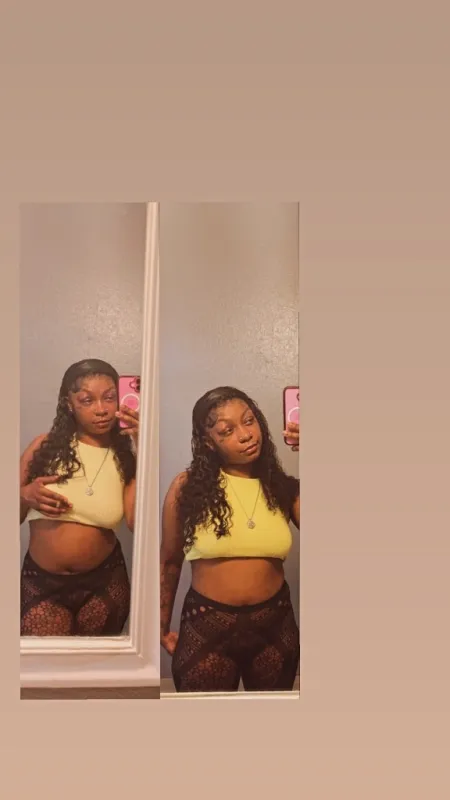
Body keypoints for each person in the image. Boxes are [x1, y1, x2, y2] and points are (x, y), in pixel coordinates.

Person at [160, 386, 300, 693]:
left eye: (249, 421)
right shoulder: (187, 488)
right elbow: (169, 561)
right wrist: (159, 625)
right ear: (209, 442)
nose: (246, 434)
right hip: (206, 625)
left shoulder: (284, 488)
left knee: (272, 720)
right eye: (227, 430)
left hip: (275, 626)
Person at [20, 358, 139, 636]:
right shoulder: (44, 446)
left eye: (109, 398)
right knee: (46, 662)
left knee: (97, 664)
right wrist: (24, 495)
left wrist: (142, 443)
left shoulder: (127, 459)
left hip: (105, 582)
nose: (101, 409)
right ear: (69, 404)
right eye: (87, 400)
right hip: (42, 582)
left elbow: (137, 523)